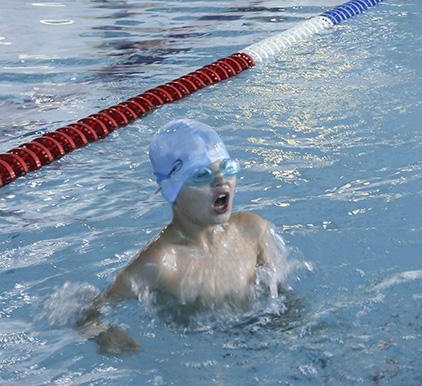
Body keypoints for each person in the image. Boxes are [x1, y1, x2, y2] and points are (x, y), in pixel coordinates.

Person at [77, 120, 286, 354]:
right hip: (205, 355)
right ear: (171, 190)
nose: (221, 180)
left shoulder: (252, 230)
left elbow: (282, 298)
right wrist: (105, 335)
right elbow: (89, 315)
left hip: (264, 341)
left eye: (227, 168)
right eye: (202, 175)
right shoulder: (160, 264)